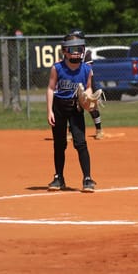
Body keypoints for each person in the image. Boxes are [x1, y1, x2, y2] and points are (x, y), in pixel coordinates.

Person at [46, 31, 97, 192]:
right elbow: (50, 88)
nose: (77, 52)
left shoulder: (86, 69)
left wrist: (88, 99)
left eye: (80, 48)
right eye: (73, 48)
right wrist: (49, 111)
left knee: (80, 143)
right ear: (64, 51)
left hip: (76, 108)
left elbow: (88, 87)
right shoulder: (57, 68)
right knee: (59, 144)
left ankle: (87, 178)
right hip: (59, 107)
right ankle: (58, 177)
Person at [65, 29, 104, 140]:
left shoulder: (86, 52)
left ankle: (99, 130)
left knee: (92, 106)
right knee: (72, 107)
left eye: (75, 37)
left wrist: (89, 88)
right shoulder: (69, 51)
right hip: (74, 81)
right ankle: (70, 132)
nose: (73, 40)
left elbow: (89, 70)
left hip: (88, 81)